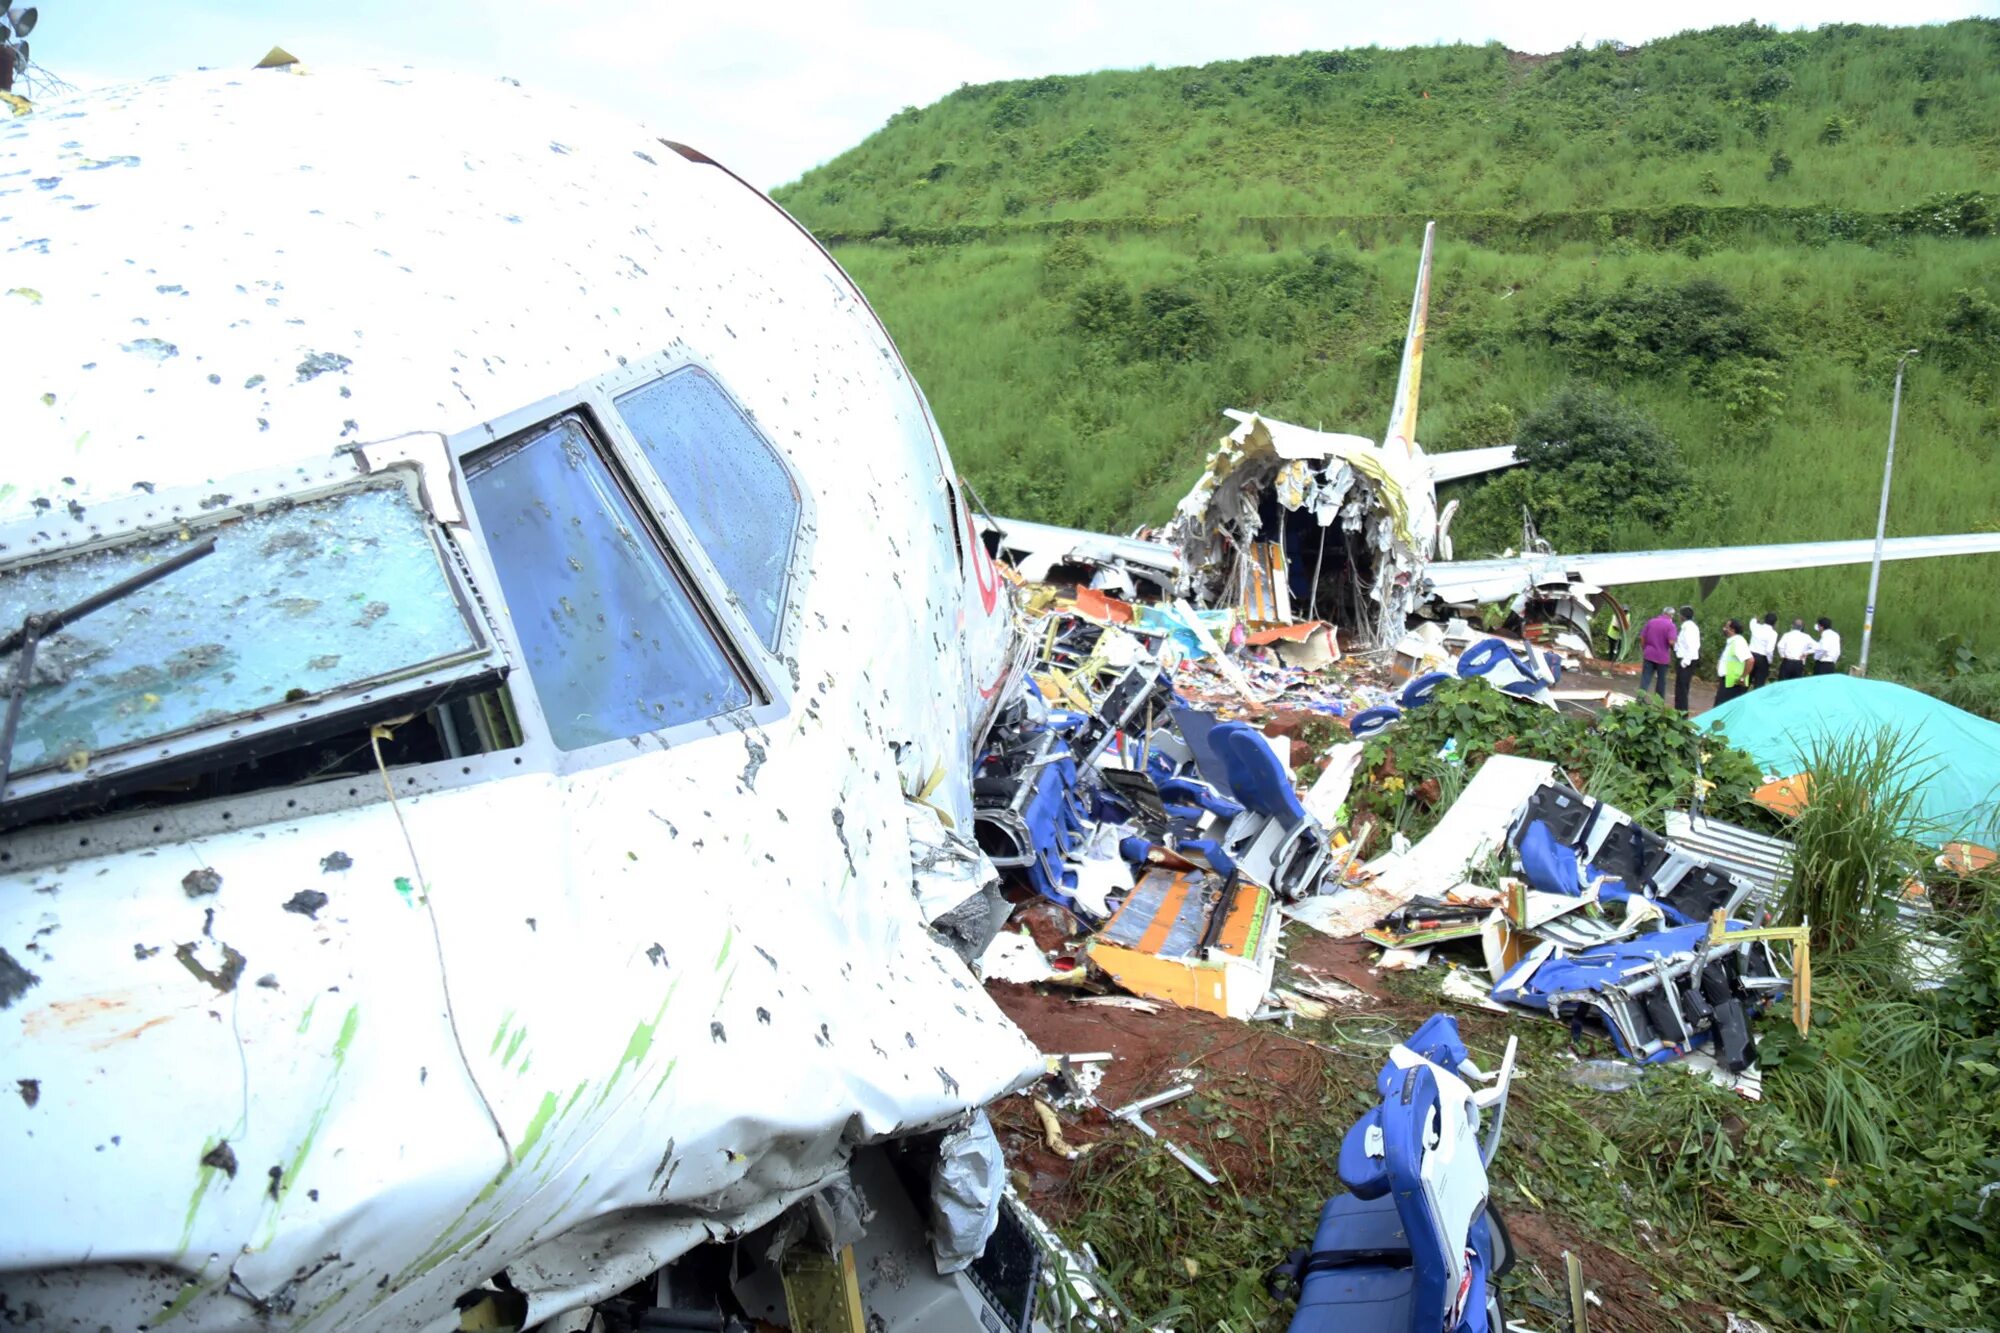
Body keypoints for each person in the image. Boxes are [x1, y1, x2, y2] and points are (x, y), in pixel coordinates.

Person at [1638, 605, 1676, 699]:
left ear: (1663, 613)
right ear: (1671, 615)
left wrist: (1645, 648)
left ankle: (1640, 700)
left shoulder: (1651, 622)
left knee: (1645, 678)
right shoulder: (1671, 625)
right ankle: (1658, 703)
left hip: (1649, 654)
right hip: (1662, 657)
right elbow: (1671, 641)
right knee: (1661, 681)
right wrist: (1674, 649)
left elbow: (1642, 637)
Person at [1715, 619, 1751, 705]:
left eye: (1726, 627)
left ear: (1732, 630)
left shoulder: (1738, 642)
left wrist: (1742, 678)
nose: (1724, 629)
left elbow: (1750, 661)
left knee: (1721, 710)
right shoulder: (1732, 642)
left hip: (1733, 683)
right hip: (1728, 681)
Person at [1673, 605, 1701, 714]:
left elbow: (1693, 646)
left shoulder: (1689, 628)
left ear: (1683, 616)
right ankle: (1678, 710)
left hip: (1686, 661)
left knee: (1682, 688)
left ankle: (1682, 712)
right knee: (1680, 687)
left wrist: (1685, 662)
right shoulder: (1687, 627)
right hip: (1684, 658)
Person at [1747, 612, 1778, 688]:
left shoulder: (1756, 627)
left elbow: (1752, 621)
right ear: (1774, 623)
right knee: (1759, 683)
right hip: (1762, 659)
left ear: (1764, 619)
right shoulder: (1773, 633)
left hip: (1750, 656)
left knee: (1746, 680)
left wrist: (1755, 619)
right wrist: (1769, 661)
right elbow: (1769, 650)